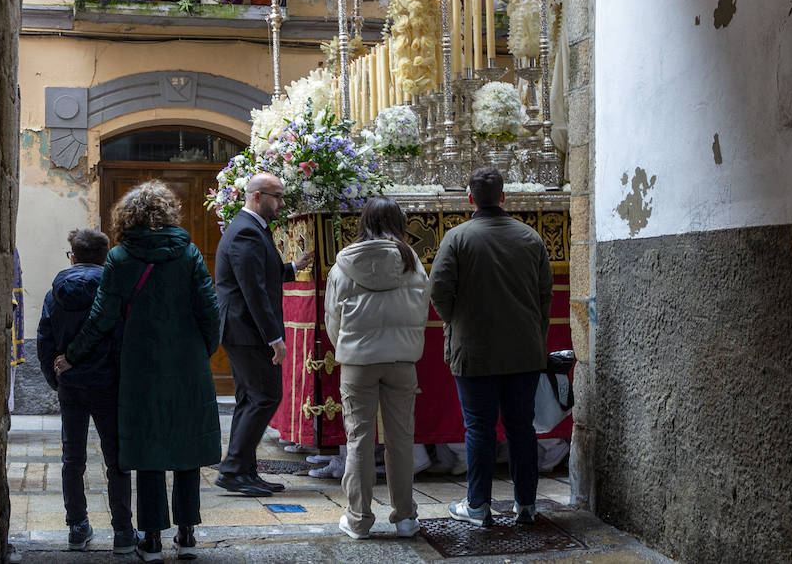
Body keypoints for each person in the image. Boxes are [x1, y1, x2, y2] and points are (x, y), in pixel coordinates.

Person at [54, 182, 220, 563]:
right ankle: (188, 534)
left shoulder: (120, 258)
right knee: (185, 447)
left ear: (126, 217)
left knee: (148, 449)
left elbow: (102, 317)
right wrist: (203, 351)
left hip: (140, 366)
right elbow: (209, 310)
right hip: (187, 363)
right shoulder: (190, 254)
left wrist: (73, 355)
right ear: (167, 213)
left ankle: (152, 540)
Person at [430, 167, 553, 527]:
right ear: (503, 197)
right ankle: (526, 505)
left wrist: (458, 320)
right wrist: (534, 332)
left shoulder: (457, 238)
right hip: (523, 352)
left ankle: (478, 506)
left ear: (470, 198)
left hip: (474, 352)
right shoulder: (531, 238)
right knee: (521, 428)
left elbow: (438, 291)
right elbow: (544, 295)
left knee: (480, 429)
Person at [324, 196, 430, 540]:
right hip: (401, 362)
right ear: (399, 222)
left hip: (358, 363)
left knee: (359, 440)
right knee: (402, 439)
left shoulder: (343, 265)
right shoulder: (412, 262)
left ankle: (358, 519)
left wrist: (349, 345)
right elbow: (422, 310)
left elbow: (332, 320)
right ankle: (405, 518)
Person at [36, 229, 136, 554]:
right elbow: (123, 338)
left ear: (73, 256)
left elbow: (44, 340)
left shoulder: (55, 293)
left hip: (72, 385)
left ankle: (77, 527)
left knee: (72, 458)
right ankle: (122, 531)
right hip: (108, 385)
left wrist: (55, 380)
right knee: (116, 460)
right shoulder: (115, 291)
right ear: (106, 257)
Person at [212, 172, 313, 497]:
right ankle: (233, 470)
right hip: (247, 330)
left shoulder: (250, 228)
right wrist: (274, 337)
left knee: (249, 398)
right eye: (277, 197)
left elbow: (259, 272)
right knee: (266, 396)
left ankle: (244, 471)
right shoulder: (245, 231)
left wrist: (293, 268)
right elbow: (252, 288)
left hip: (243, 328)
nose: (282, 204)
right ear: (257, 196)